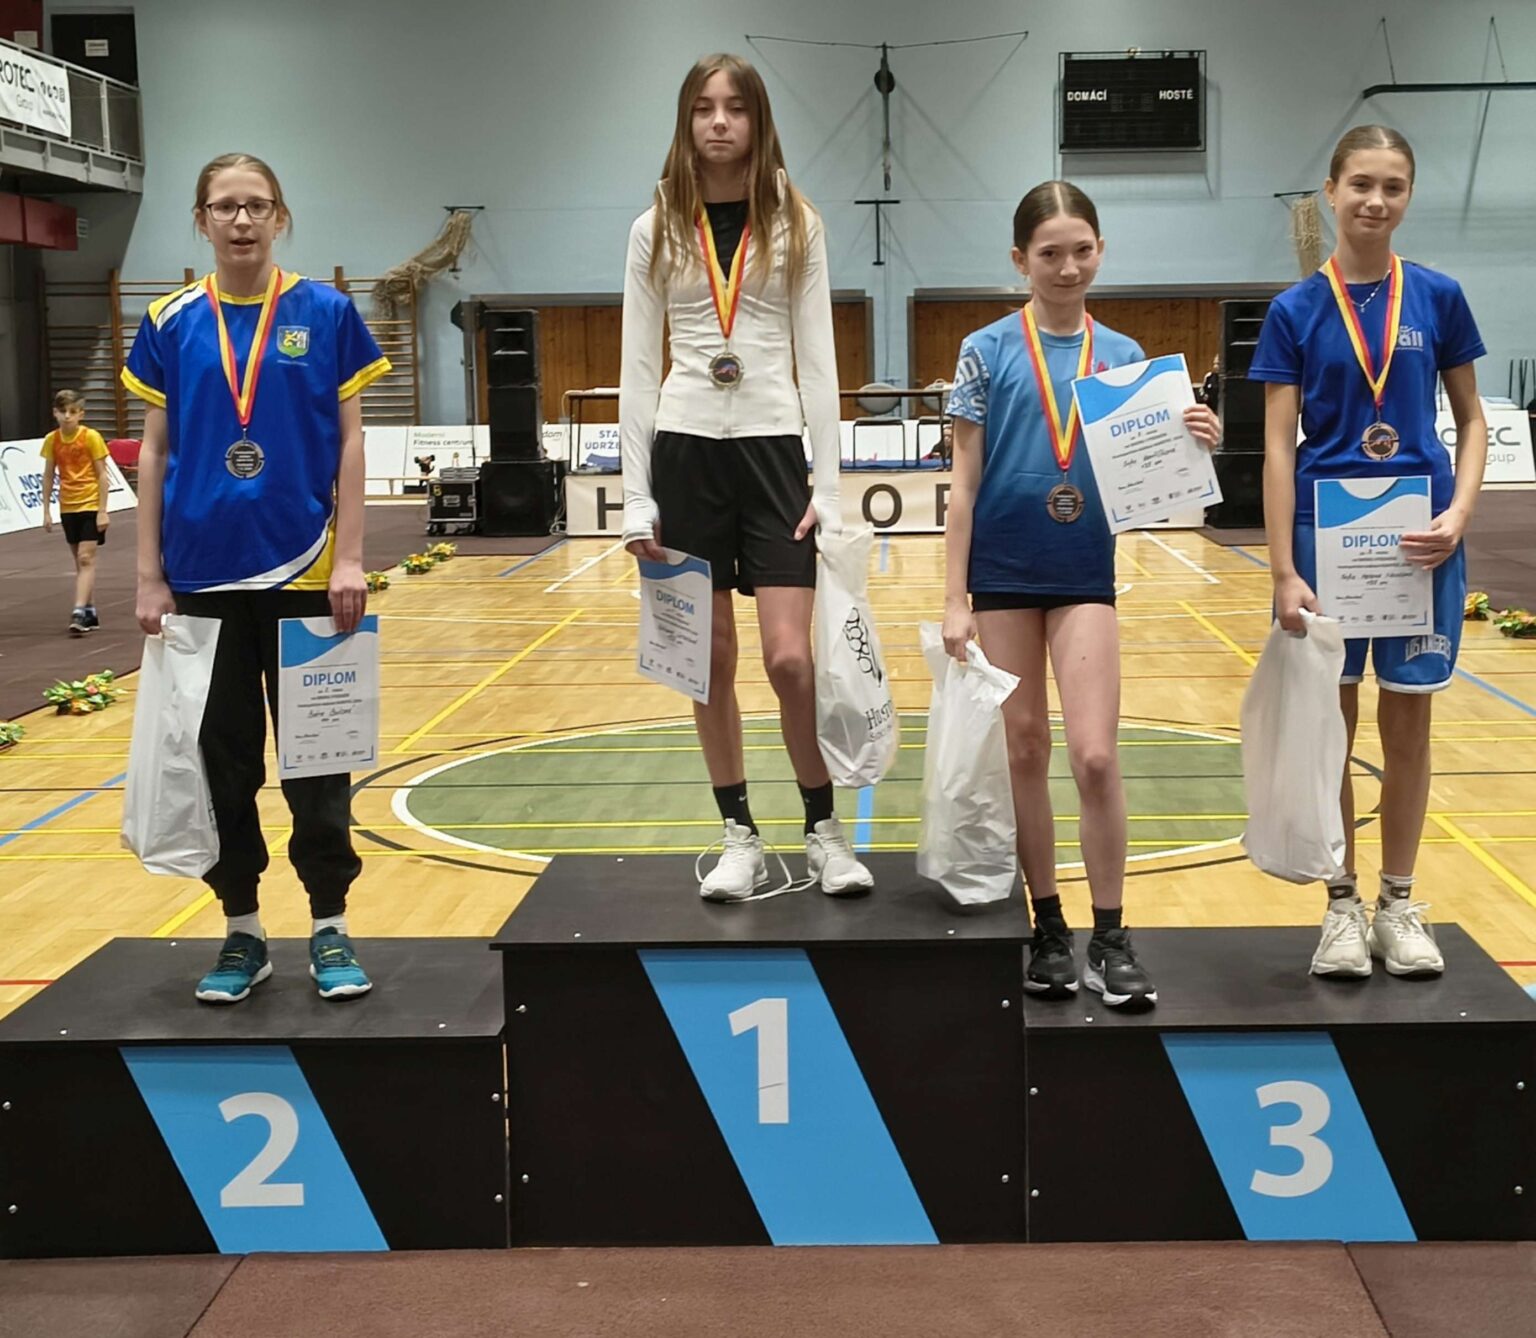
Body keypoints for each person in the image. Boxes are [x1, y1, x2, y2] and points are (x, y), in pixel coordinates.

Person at [941, 181, 1221, 1009]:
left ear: (1101, 251)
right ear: (1020, 259)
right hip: (1000, 575)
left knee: (1095, 755)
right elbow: (963, 485)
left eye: (1082, 251)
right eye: (1050, 253)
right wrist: (954, 598)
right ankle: (1048, 925)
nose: (1067, 268)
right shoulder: (985, 350)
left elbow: (1155, 477)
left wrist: (1196, 439)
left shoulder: (1127, 358)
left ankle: (1111, 934)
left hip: (1083, 572)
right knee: (1026, 750)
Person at [122, 152, 391, 1003]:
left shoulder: (327, 312)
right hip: (201, 581)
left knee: (319, 765)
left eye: (257, 206)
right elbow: (155, 451)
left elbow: (352, 440)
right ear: (200, 220)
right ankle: (242, 930)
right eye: (224, 207)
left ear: (281, 217)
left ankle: (330, 925)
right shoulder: (170, 321)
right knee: (222, 768)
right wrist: (148, 576)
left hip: (308, 574)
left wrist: (352, 557)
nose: (241, 221)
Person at [620, 53, 873, 902]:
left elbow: (819, 363)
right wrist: (637, 494)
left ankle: (823, 830)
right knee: (707, 660)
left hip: (771, 453)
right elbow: (635, 368)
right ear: (686, 120)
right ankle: (739, 836)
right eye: (704, 107)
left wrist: (828, 489)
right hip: (685, 451)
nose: (719, 121)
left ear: (759, 121)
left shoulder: (798, 223)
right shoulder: (655, 227)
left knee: (790, 659)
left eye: (735, 107)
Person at [1251, 125, 1487, 979]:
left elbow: (1471, 420)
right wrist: (1283, 569)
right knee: (1334, 730)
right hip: (1328, 543)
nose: (1375, 201)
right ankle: (1341, 906)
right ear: (1331, 191)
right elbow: (1277, 447)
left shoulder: (1439, 296)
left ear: (1408, 195)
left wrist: (1459, 513)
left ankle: (1399, 902)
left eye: (1392, 186)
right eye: (1360, 184)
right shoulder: (1295, 310)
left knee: (1409, 720)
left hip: (1421, 542)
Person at [38, 389, 110, 635]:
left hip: (90, 504)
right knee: (80, 562)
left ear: (81, 414)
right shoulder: (52, 440)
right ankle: (90, 610)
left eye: (72, 412)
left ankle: (78, 610)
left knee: (86, 558)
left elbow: (102, 475)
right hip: (68, 506)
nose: (67, 416)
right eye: (63, 412)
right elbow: (49, 475)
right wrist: (46, 510)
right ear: (55, 413)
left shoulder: (91, 437)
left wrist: (102, 510)